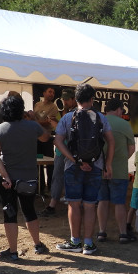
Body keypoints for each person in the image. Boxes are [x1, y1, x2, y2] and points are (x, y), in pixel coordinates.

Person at [54, 84, 115, 255]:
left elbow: (58, 141)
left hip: (73, 167)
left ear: (76, 99)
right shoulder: (101, 118)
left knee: (74, 204)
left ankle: (75, 242)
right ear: (92, 99)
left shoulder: (67, 118)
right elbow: (111, 141)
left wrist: (74, 160)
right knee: (90, 206)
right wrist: (108, 164)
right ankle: (88, 244)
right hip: (96, 165)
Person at [0, 94, 51, 260]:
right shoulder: (32, 126)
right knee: (29, 210)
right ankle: (38, 244)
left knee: (9, 213)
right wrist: (34, 119)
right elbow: (46, 137)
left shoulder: (0, 129)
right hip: (28, 178)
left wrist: (5, 176)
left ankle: (13, 251)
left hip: (5, 178)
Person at [97, 98, 137, 243]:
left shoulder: (98, 121)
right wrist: (121, 159)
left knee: (102, 201)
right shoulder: (124, 124)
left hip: (100, 168)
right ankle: (122, 234)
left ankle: (101, 232)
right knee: (119, 202)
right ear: (119, 109)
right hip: (119, 170)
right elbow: (132, 148)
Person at [40, 89, 77, 217]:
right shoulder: (72, 112)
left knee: (57, 177)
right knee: (64, 177)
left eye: (67, 99)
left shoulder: (73, 113)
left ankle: (52, 205)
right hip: (69, 151)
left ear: (74, 99)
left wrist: (54, 123)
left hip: (64, 150)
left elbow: (63, 133)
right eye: (64, 99)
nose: (65, 102)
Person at [33, 86, 60, 191]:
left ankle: (50, 187)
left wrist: (34, 122)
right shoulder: (37, 105)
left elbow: (48, 122)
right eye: (49, 92)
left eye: (53, 92)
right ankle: (40, 187)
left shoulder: (53, 107)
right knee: (38, 161)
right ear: (44, 93)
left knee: (49, 163)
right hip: (36, 139)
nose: (51, 94)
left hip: (47, 139)